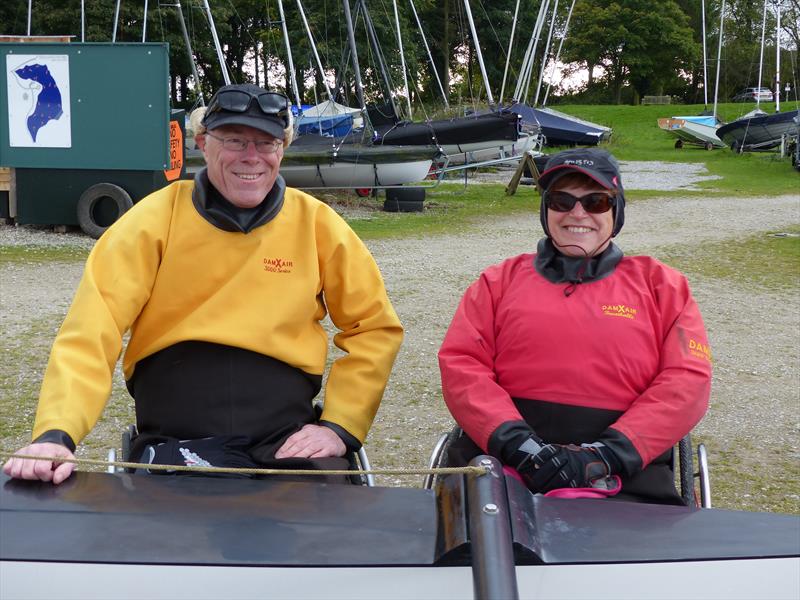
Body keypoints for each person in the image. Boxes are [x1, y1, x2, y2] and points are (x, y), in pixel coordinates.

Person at [4, 83, 403, 484]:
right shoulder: (152, 221)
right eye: (234, 140)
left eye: (266, 143)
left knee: (314, 536)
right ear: (202, 143)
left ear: (282, 149)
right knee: (176, 539)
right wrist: (56, 433)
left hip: (286, 440)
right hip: (175, 437)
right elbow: (92, 330)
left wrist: (339, 426)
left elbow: (373, 327)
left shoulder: (317, 225)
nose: (251, 156)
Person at [438, 148, 711, 504]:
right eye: (561, 200)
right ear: (546, 209)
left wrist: (606, 456)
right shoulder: (497, 281)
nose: (577, 213)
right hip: (503, 460)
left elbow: (687, 380)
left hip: (622, 474)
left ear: (617, 211)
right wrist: (519, 444)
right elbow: (462, 366)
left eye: (596, 201)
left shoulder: (662, 286)